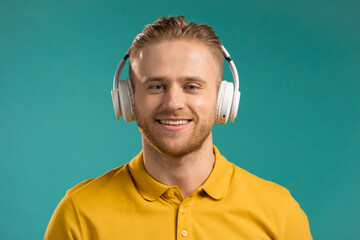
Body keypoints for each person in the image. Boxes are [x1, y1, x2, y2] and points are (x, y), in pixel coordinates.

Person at [44, 15, 312, 239]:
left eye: (192, 86)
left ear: (222, 99)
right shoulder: (79, 213)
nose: (174, 103)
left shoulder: (280, 213)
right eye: (156, 86)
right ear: (128, 99)